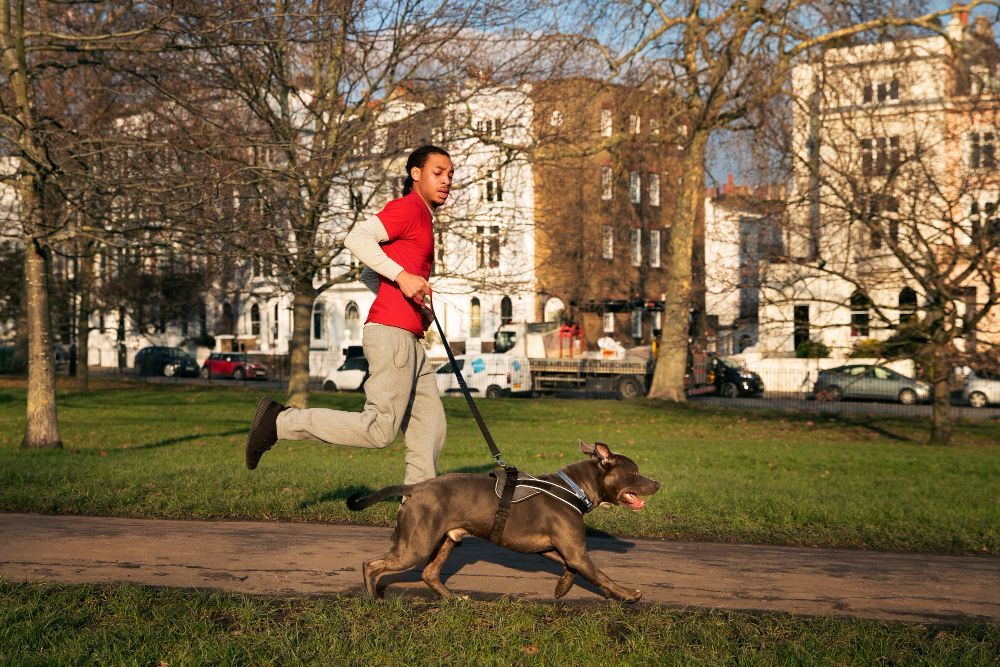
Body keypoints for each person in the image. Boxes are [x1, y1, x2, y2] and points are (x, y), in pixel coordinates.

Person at [245, 145, 454, 486]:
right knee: (379, 429)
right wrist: (402, 279)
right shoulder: (409, 208)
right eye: (438, 172)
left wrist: (410, 300)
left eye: (450, 175)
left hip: (409, 337)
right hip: (392, 335)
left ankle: (419, 516)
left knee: (429, 428)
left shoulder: (423, 219)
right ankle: (280, 422)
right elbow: (356, 238)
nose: (446, 180)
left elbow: (369, 275)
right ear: (415, 174)